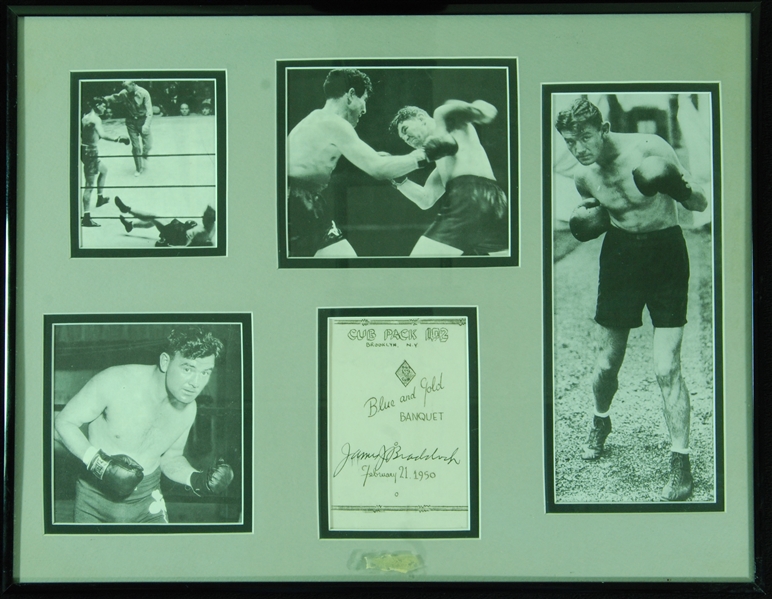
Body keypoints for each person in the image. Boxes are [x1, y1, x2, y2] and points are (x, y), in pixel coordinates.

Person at [554, 97, 708, 501]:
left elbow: (699, 203)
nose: (580, 149)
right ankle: (600, 419)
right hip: (621, 256)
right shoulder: (585, 177)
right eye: (571, 142)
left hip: (666, 252)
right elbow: (596, 217)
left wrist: (673, 181)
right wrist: (589, 220)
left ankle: (680, 461)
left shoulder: (649, 148)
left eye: (585, 137)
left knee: (665, 365)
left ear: (603, 129)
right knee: (607, 362)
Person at [54, 326, 235, 523]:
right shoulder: (115, 381)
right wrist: (98, 464)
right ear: (166, 361)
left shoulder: (188, 408)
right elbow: (65, 422)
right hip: (95, 499)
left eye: (205, 372)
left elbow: (172, 458)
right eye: (187, 369)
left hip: (147, 502)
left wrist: (197, 480)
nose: (196, 383)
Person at [287, 68, 456, 257]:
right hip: (298, 202)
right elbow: (377, 168)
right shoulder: (334, 123)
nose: (365, 109)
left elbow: (378, 163)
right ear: (351, 95)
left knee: (345, 265)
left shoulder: (317, 120)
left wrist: (394, 168)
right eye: (364, 100)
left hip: (308, 201)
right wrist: (424, 154)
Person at [388, 101, 509, 256]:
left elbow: (487, 110)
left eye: (405, 129)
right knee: (504, 268)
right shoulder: (443, 162)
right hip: (497, 204)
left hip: (469, 197)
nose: (406, 138)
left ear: (420, 117)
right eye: (403, 138)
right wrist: (398, 179)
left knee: (418, 266)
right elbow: (426, 199)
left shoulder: (443, 116)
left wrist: (479, 112)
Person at [79, 96, 130, 227]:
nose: (105, 108)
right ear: (97, 105)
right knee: (89, 185)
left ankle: (100, 198)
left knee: (104, 170)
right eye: (103, 106)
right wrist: (118, 139)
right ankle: (86, 217)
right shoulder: (96, 119)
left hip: (85, 150)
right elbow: (102, 135)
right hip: (91, 152)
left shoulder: (86, 116)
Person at [114, 196, 216, 247]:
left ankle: (127, 210)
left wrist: (168, 245)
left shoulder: (202, 234)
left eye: (205, 215)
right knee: (156, 219)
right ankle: (131, 225)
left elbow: (187, 246)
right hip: (179, 229)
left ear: (209, 219)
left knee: (153, 217)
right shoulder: (211, 228)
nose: (202, 216)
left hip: (175, 236)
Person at [104, 80, 153, 176]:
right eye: (124, 87)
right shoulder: (124, 93)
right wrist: (104, 99)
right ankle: (138, 168)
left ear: (133, 84)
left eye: (127, 86)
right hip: (131, 122)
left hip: (143, 120)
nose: (126, 89)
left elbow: (149, 111)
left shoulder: (144, 93)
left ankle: (145, 154)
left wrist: (146, 125)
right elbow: (115, 98)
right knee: (135, 146)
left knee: (148, 144)